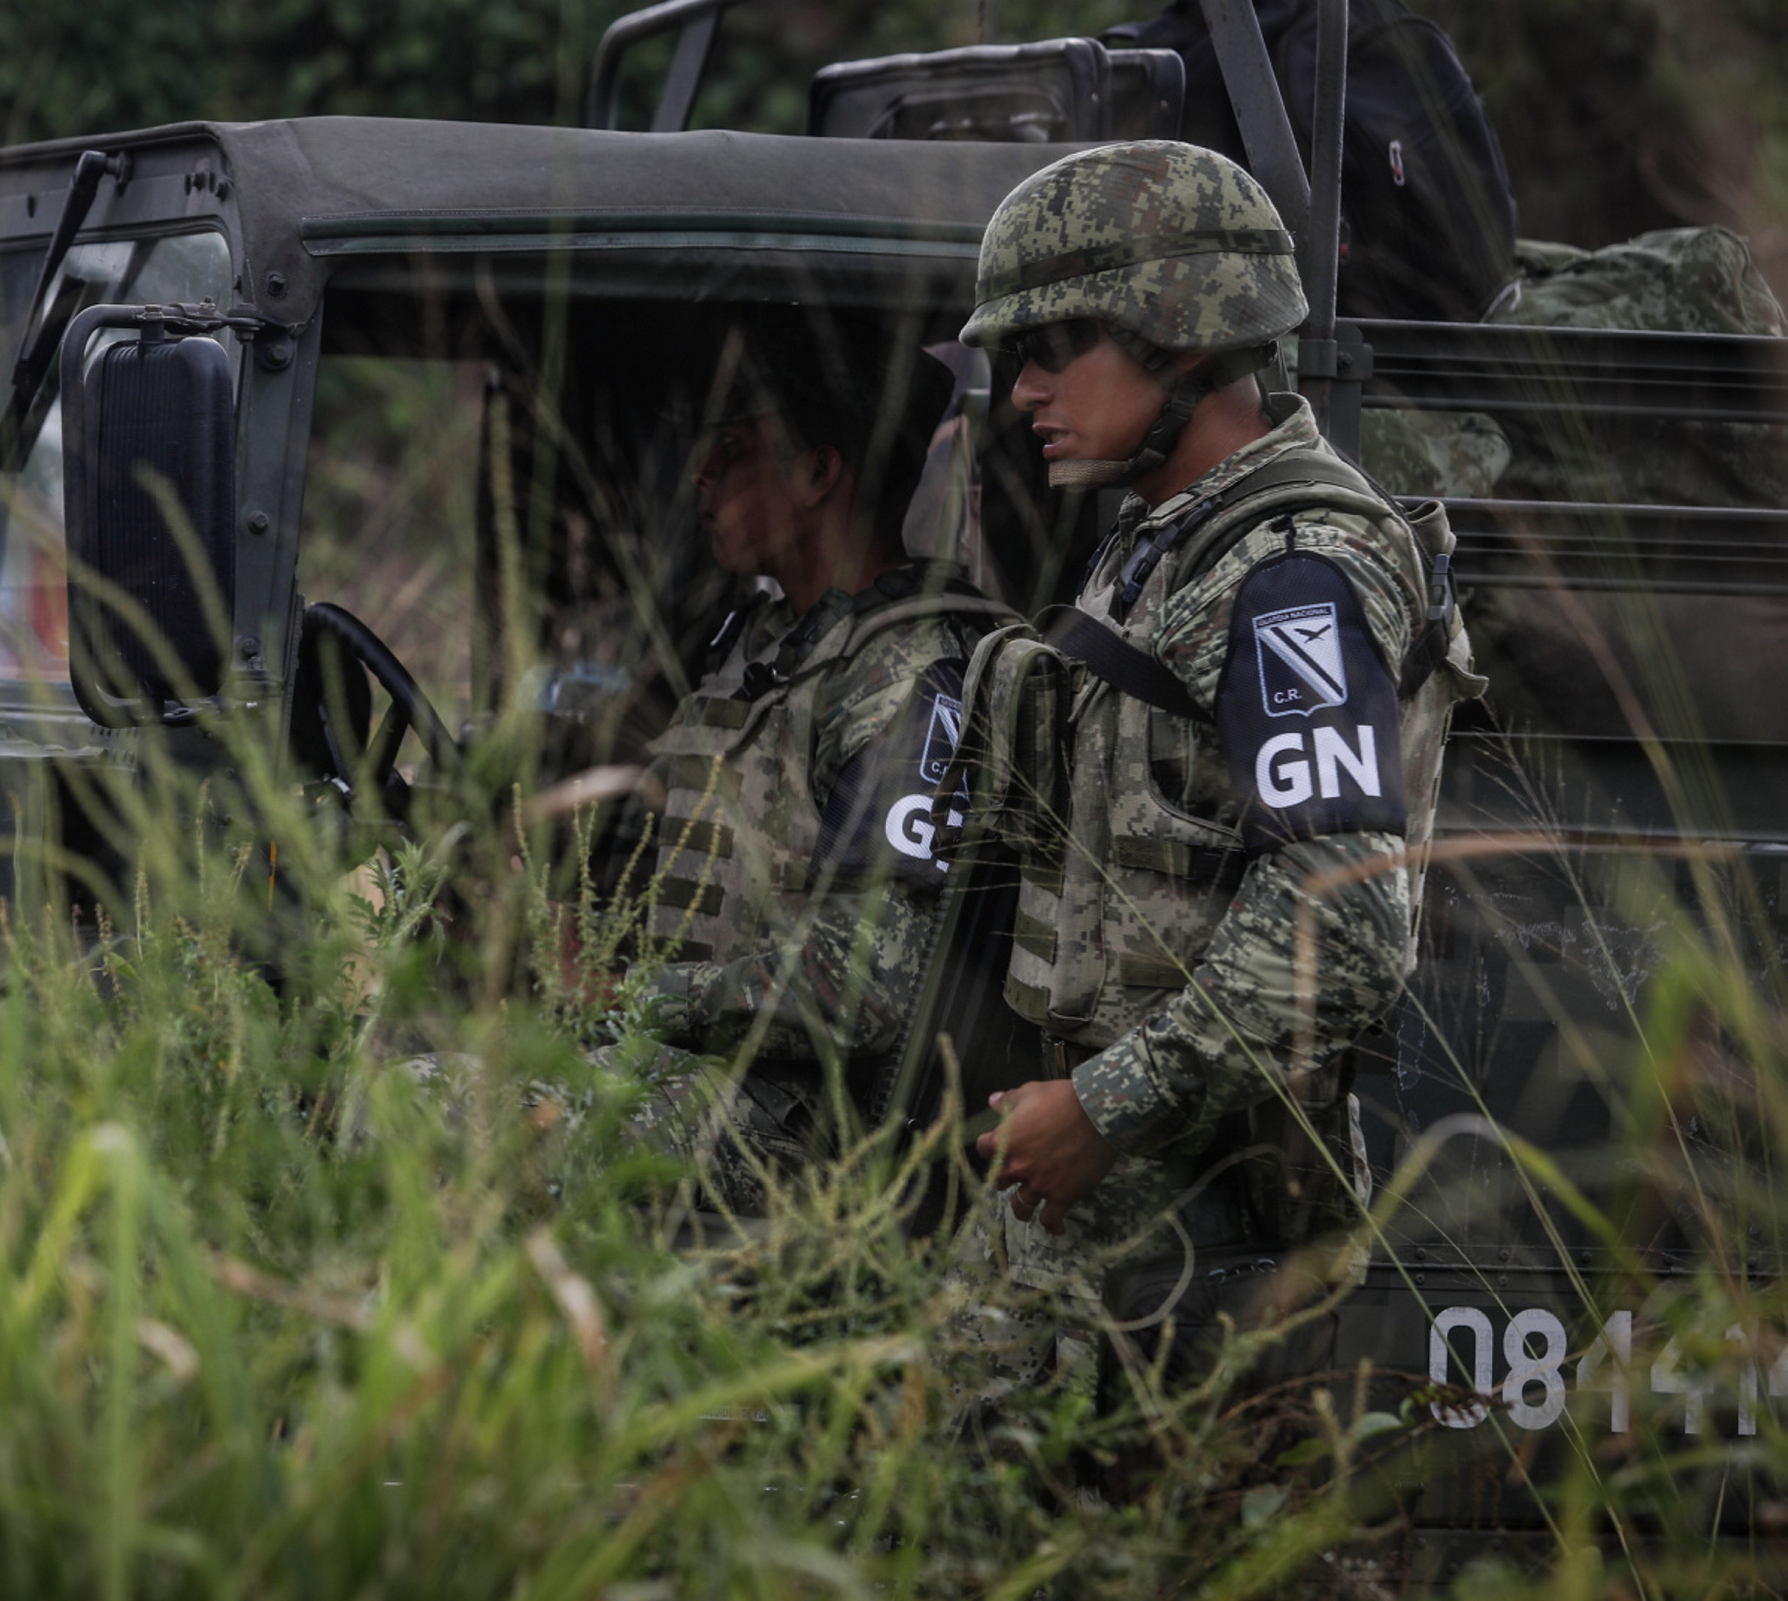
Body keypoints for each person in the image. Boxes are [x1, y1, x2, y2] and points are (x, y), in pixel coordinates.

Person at [945, 140, 1482, 1396]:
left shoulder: (1289, 569)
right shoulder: (1166, 539)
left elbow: (1345, 921)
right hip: (1118, 1217)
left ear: (1179, 333)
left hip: (1201, 1234)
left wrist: (1105, 1105)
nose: (1022, 391)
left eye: (1051, 346)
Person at [585, 333, 1014, 1213]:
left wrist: (630, 996)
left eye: (733, 446)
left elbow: (864, 988)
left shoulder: (903, 669)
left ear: (818, 473)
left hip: (806, 1125)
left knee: (437, 1108)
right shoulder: (770, 640)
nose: (701, 474)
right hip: (706, 1068)